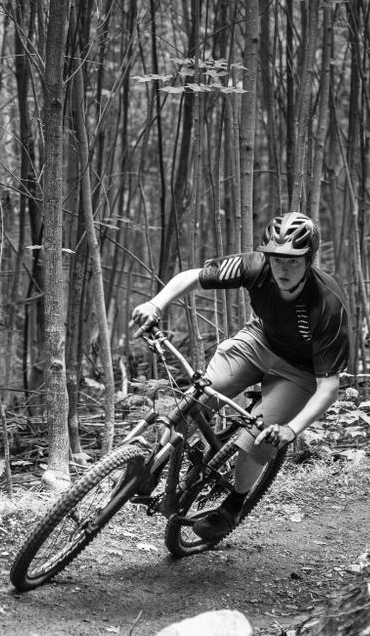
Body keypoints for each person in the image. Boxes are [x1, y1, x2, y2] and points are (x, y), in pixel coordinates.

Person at [131, 211, 350, 541]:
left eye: (293, 261)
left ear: (309, 260)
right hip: (259, 340)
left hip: (301, 371)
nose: (283, 268)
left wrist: (291, 430)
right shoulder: (255, 267)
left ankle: (232, 507)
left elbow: (329, 388)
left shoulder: (327, 303)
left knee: (258, 440)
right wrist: (156, 304)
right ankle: (154, 464)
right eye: (276, 259)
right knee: (201, 394)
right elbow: (193, 277)